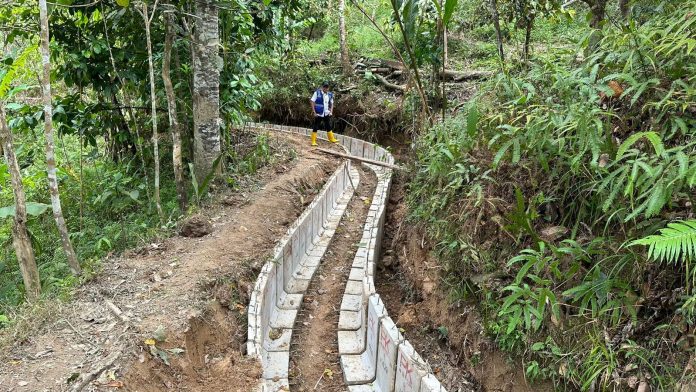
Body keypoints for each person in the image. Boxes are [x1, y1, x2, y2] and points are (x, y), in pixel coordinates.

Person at [310, 81, 338, 146]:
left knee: (328, 125)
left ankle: (331, 139)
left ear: (328, 88)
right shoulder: (317, 93)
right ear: (322, 87)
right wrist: (314, 112)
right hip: (319, 113)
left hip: (326, 113)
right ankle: (313, 141)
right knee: (316, 126)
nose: (326, 88)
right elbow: (312, 101)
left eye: (327, 87)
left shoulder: (330, 94)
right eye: (325, 87)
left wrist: (331, 111)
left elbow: (332, 103)